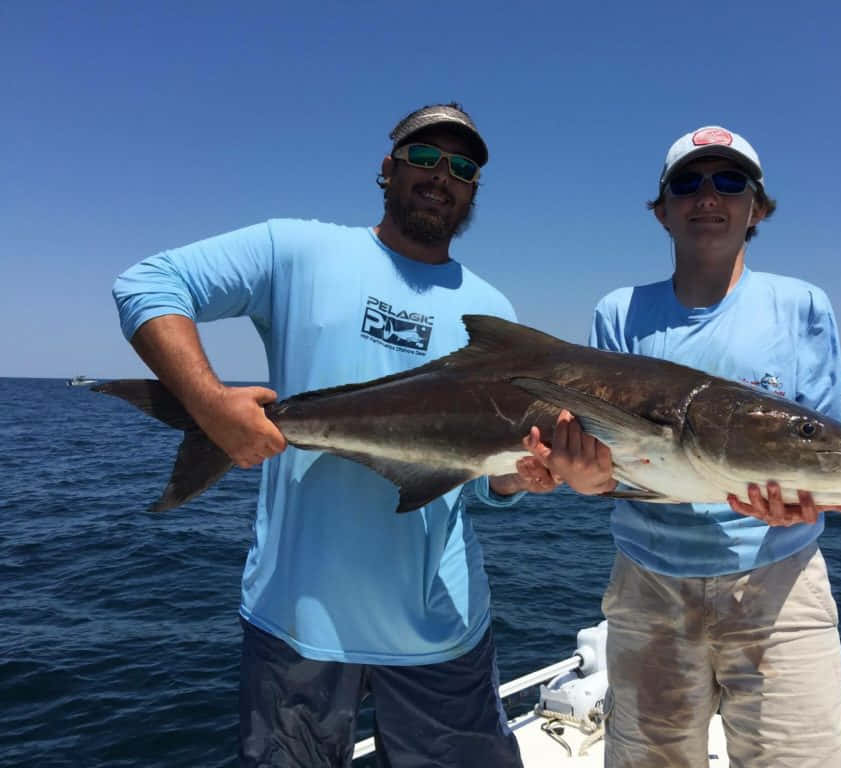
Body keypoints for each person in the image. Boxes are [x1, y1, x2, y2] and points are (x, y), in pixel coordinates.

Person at [111, 103, 553, 768]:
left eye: (462, 167)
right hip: (298, 622)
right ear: (387, 168)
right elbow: (147, 285)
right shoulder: (297, 249)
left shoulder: (494, 315)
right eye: (423, 157)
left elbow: (483, 483)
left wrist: (519, 477)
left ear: (473, 190)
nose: (442, 175)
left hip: (443, 629)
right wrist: (208, 404)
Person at [528, 126, 841, 767]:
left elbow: (831, 464)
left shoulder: (803, 306)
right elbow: (609, 471)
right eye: (689, 183)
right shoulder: (619, 313)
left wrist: (814, 503)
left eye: (729, 181)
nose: (709, 196)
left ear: (757, 208)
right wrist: (582, 476)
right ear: (663, 211)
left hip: (778, 585)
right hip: (648, 584)